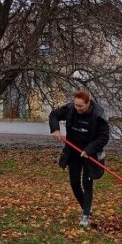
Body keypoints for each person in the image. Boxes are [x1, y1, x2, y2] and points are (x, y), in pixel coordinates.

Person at [49, 90, 110, 228]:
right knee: (74, 183)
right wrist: (55, 129)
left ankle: (86, 215)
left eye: (81, 106)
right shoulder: (70, 109)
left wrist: (89, 149)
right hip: (73, 152)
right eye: (76, 105)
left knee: (87, 183)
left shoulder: (98, 115)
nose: (78, 108)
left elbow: (104, 137)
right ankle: (86, 208)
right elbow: (54, 115)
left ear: (88, 103)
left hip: (90, 154)